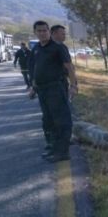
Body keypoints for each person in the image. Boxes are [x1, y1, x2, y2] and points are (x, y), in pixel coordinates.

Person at [26, 20, 79, 163]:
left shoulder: (57, 47)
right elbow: (35, 70)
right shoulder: (37, 48)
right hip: (42, 90)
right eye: (39, 31)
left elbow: (69, 67)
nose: (42, 33)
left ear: (49, 31)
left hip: (55, 88)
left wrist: (73, 86)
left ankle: (63, 152)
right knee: (49, 120)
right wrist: (33, 88)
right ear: (35, 32)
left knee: (61, 120)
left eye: (45, 30)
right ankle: (54, 148)